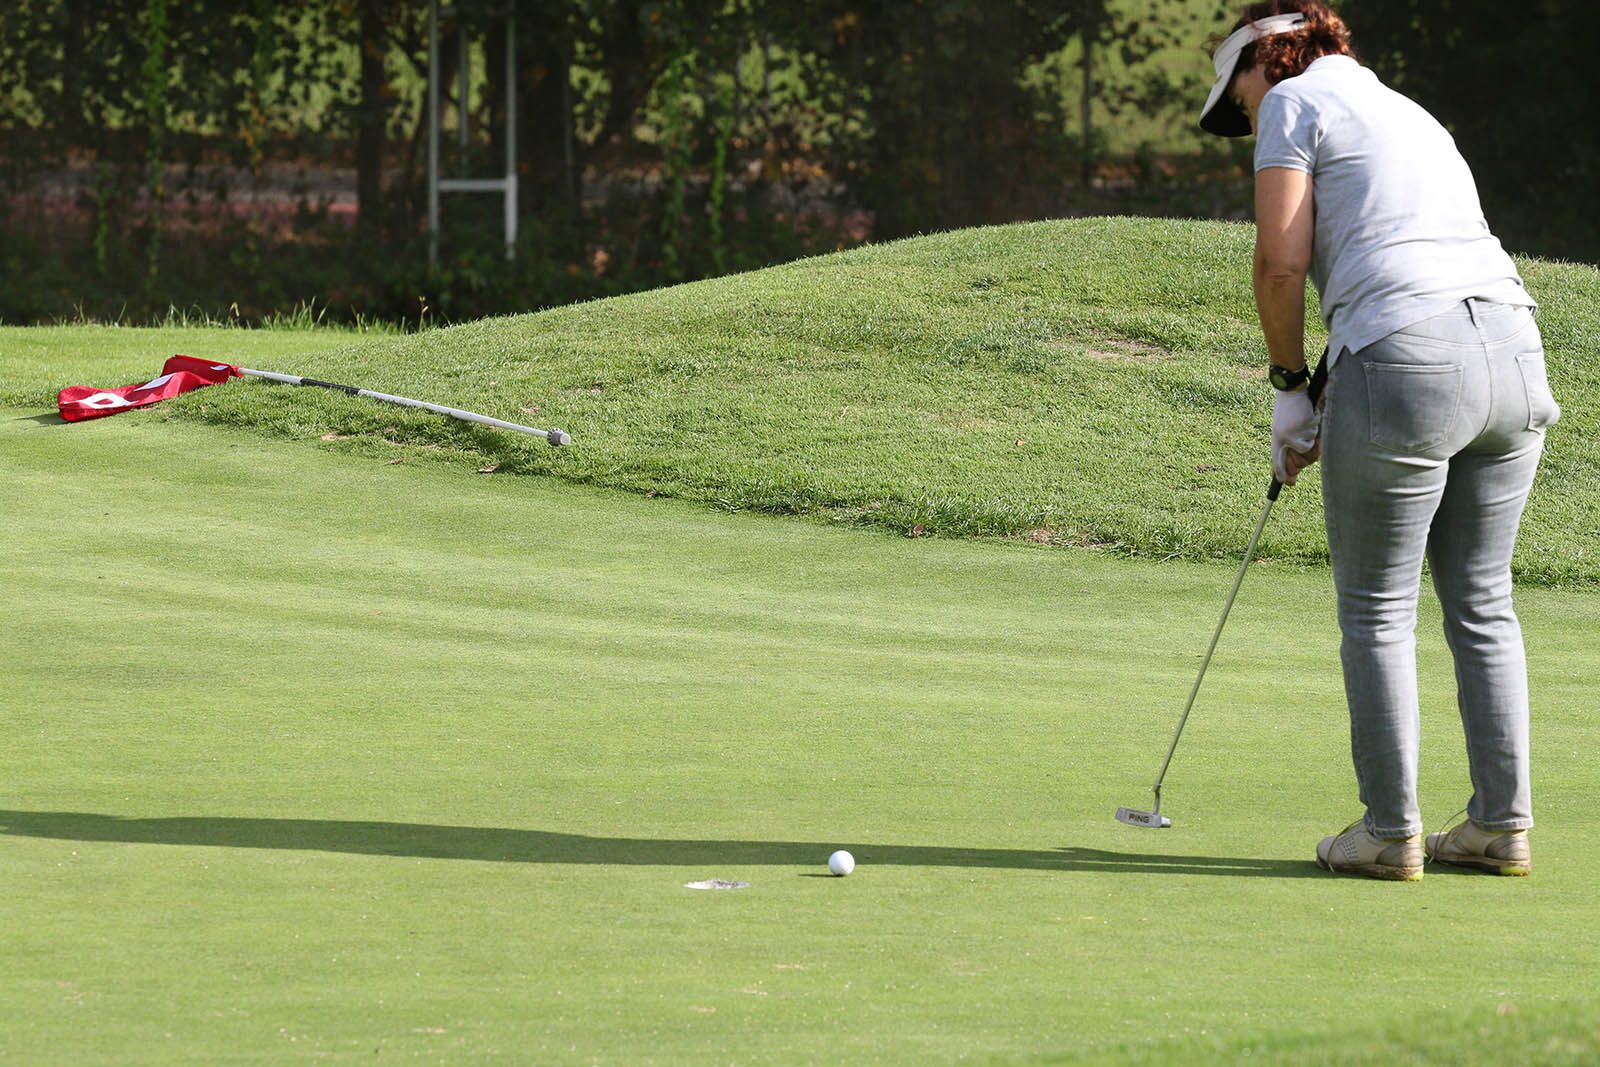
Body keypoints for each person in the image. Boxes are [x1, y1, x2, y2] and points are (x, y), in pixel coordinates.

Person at [1199, 0, 1560, 880]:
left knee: (1376, 608)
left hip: (1408, 357)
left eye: (1235, 95)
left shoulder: (1292, 103)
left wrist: (1289, 390)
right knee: (1480, 601)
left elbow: (1280, 261)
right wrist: (1330, 378)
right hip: (1513, 353)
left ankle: (1390, 832)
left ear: (1268, 59)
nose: (1242, 114)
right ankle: (1499, 824)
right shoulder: (1410, 110)